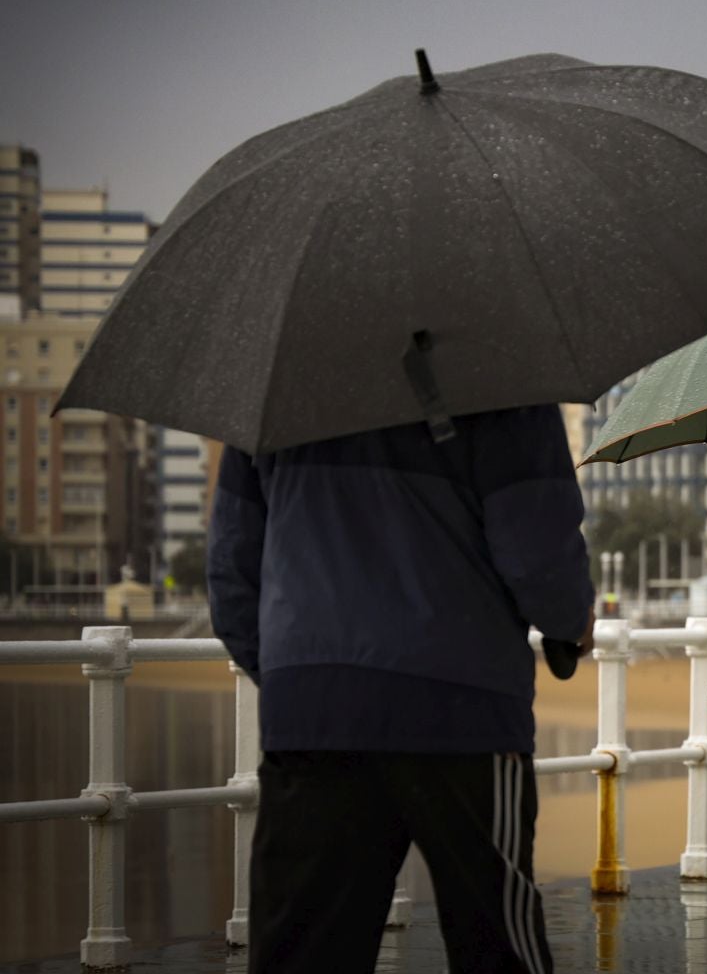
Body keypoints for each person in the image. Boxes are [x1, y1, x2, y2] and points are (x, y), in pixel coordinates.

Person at [208, 405, 595, 974]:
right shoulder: (502, 373)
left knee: (302, 950)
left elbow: (231, 570)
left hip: (314, 714)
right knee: (496, 942)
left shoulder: (273, 393)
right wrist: (571, 625)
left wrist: (305, 676)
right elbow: (537, 551)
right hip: (466, 709)